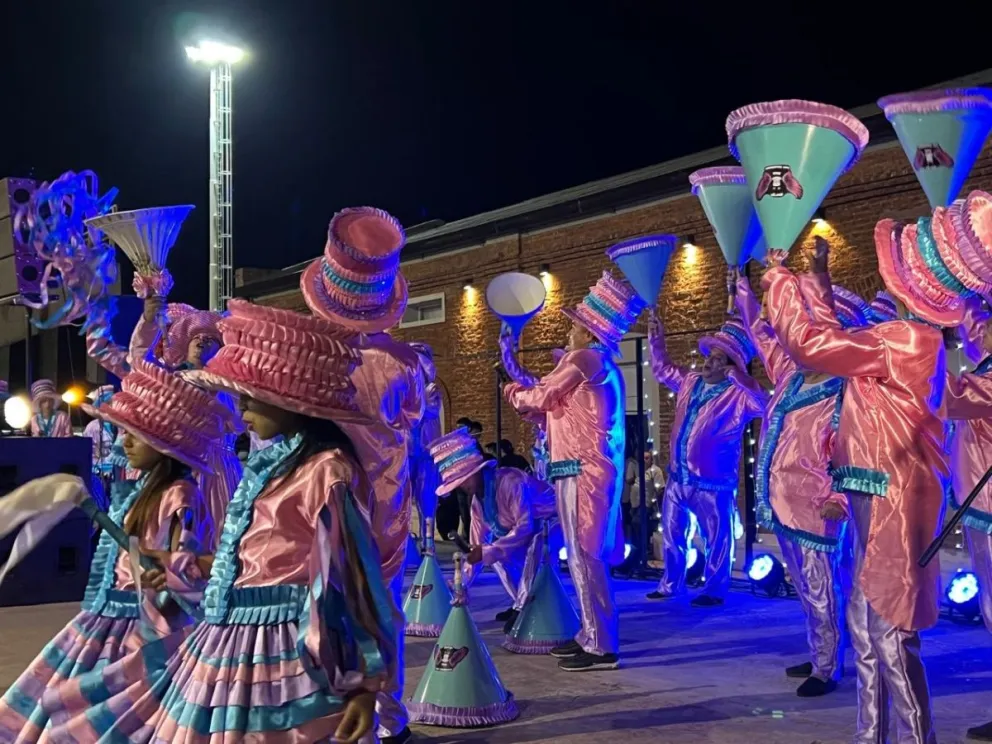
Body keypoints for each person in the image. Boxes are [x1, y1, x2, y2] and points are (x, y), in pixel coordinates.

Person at [44, 299, 395, 744]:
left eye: (251, 394)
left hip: (282, 651)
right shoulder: (274, 466)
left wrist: (365, 682)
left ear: (290, 399)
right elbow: (252, 563)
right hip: (233, 639)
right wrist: (181, 565)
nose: (241, 403)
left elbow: (354, 579)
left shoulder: (327, 471)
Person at [762, 217, 959, 744]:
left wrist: (779, 279)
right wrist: (817, 282)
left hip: (894, 500)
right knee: (867, 633)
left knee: (890, 636)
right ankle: (870, 735)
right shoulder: (906, 340)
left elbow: (813, 345)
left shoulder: (905, 339)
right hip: (874, 497)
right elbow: (837, 344)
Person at [0, 360, 227, 743]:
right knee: (67, 700)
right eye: (123, 432)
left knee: (116, 710)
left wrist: (167, 571)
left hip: (143, 623)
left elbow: (184, 562)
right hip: (107, 617)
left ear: (166, 441)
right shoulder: (138, 490)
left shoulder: (179, 495)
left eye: (137, 435)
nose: (125, 443)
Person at [300, 206, 423, 744]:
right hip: (386, 503)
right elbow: (414, 428)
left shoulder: (311, 359)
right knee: (384, 609)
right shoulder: (406, 362)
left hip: (327, 500)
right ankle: (388, 717)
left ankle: (335, 717)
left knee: (325, 609)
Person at [735, 242, 860, 698]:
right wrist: (744, 290)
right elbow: (760, 334)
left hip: (817, 507)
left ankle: (828, 667)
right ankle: (822, 650)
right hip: (782, 503)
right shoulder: (790, 374)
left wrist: (839, 499)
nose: (792, 335)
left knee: (823, 585)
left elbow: (854, 450)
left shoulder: (844, 389)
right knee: (806, 587)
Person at [505, 271, 641, 672]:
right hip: (577, 469)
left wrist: (514, 392)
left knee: (586, 554)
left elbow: (542, 394)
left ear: (590, 332)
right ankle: (591, 633)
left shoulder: (586, 359)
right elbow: (553, 404)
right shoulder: (593, 363)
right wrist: (516, 375)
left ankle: (603, 645)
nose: (569, 334)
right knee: (581, 556)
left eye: (574, 327)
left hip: (586, 471)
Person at [647, 309, 767, 606]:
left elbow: (766, 404)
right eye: (710, 356)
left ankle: (714, 590)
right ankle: (671, 584)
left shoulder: (738, 394)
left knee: (717, 537)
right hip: (678, 477)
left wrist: (741, 378)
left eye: (718, 359)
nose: (708, 361)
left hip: (713, 482)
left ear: (730, 367)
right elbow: (662, 369)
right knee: (673, 533)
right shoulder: (691, 381)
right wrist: (656, 340)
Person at [434, 428, 556, 632]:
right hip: (525, 531)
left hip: (551, 521)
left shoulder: (510, 482)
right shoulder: (477, 504)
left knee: (533, 546)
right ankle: (519, 600)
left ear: (476, 472)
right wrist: (462, 583)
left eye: (463, 480)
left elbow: (525, 526)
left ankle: (522, 606)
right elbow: (477, 547)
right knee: (495, 556)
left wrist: (486, 551)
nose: (462, 487)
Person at [409, 342, 443, 543]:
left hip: (426, 453)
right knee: (403, 500)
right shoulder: (406, 391)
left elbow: (428, 410)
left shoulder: (431, 389)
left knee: (426, 500)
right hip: (408, 451)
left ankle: (428, 544)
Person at [630, 448, 665, 536]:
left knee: (638, 523)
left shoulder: (655, 470)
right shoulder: (639, 469)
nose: (644, 460)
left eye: (647, 458)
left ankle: (645, 543)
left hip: (646, 505)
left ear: (651, 459)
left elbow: (660, 489)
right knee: (635, 527)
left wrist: (654, 503)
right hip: (635, 504)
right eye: (643, 458)